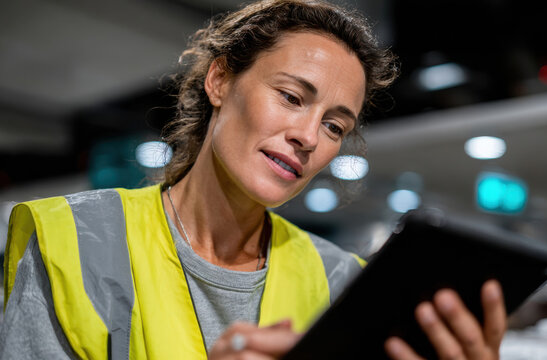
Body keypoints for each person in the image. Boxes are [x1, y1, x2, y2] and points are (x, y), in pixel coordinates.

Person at [0, 0, 507, 359]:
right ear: (219, 80)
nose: (309, 136)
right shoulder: (72, 242)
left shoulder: (344, 282)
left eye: (335, 126)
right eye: (290, 96)